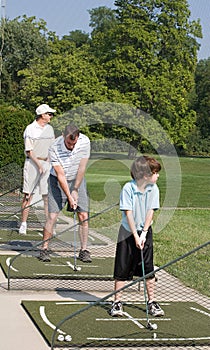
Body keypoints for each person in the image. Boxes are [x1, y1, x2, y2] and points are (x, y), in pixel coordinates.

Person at [110, 155, 164, 317]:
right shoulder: (128, 188)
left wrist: (144, 233)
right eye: (155, 173)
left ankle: (151, 302)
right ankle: (117, 302)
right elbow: (128, 213)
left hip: (145, 231)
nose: (158, 175)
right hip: (128, 231)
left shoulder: (154, 189)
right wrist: (135, 235)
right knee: (122, 266)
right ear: (146, 175)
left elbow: (150, 212)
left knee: (148, 267)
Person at [39, 123, 91, 263]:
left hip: (77, 179)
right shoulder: (54, 147)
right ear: (63, 137)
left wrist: (75, 190)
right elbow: (60, 175)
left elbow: (82, 167)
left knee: (83, 215)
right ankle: (44, 249)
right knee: (53, 215)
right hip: (57, 181)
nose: (71, 146)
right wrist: (69, 196)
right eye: (69, 143)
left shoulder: (85, 142)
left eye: (73, 143)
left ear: (78, 138)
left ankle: (84, 250)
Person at [19, 104, 56, 234]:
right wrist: (39, 165)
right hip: (32, 164)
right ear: (42, 115)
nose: (51, 116)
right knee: (28, 195)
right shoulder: (30, 129)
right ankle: (23, 223)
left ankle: (48, 225)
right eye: (49, 114)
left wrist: (49, 163)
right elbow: (29, 151)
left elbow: (53, 146)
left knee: (46, 196)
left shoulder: (50, 129)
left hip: (47, 163)